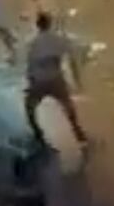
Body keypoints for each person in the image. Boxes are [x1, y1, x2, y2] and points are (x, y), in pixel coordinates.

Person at [24, 10, 88, 147]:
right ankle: (78, 133)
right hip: (55, 78)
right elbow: (73, 50)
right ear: (49, 24)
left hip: (39, 81)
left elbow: (29, 65)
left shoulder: (32, 42)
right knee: (68, 106)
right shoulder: (57, 39)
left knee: (29, 108)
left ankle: (37, 133)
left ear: (37, 25)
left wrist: (30, 81)